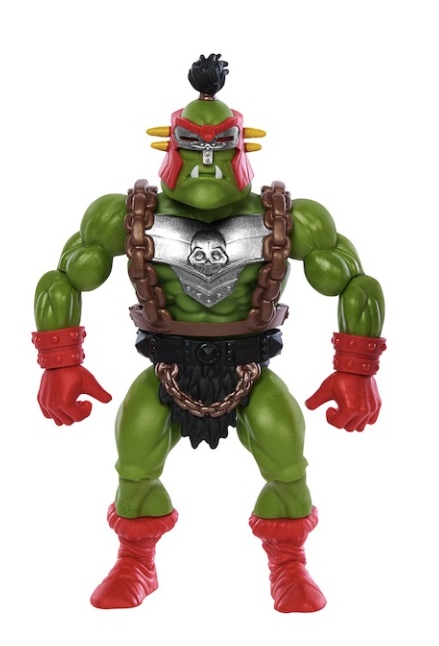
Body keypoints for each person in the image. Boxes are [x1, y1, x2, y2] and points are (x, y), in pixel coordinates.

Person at [32, 54, 386, 613]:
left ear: (243, 146)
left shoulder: (290, 218)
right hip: (166, 371)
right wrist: (60, 363)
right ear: (169, 145)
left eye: (220, 145)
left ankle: (289, 564)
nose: (205, 162)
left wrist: (355, 371)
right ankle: (135, 560)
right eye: (191, 145)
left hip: (251, 371)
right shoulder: (125, 215)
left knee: (288, 466)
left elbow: (355, 285)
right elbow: (64, 277)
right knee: (134, 468)